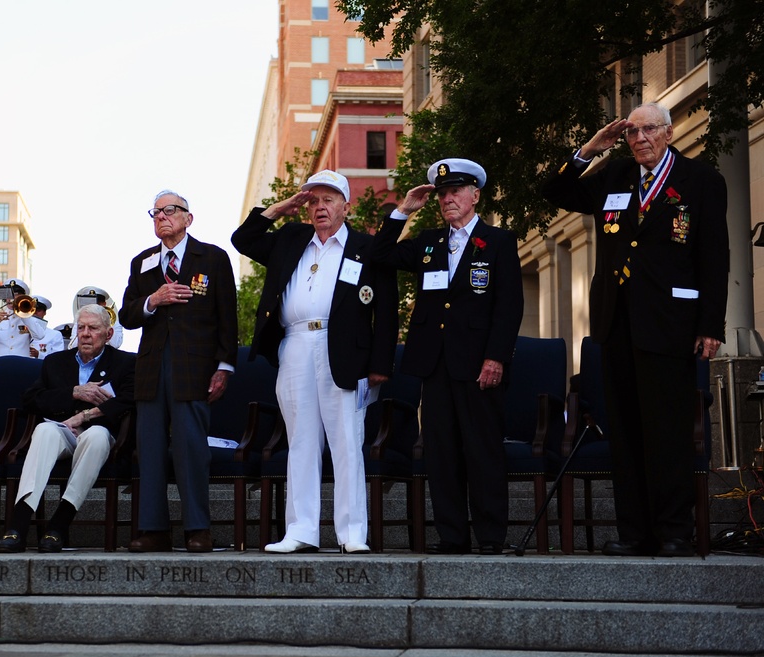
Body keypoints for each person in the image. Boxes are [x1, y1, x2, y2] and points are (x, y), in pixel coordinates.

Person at [541, 101, 729, 557]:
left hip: (671, 325)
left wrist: (710, 324)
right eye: (631, 132)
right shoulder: (614, 176)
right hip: (616, 322)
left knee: (665, 430)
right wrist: (589, 150)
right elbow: (555, 189)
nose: (639, 139)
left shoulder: (700, 180)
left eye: (648, 130)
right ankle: (634, 533)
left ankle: (673, 533)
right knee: (624, 432)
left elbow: (714, 256)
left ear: (668, 133)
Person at [232, 169, 398, 553]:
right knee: (301, 441)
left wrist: (380, 364)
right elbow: (243, 239)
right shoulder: (291, 239)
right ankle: (301, 531)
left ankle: (352, 533)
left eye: (328, 200)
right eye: (314, 201)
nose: (320, 207)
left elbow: (386, 311)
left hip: (344, 350)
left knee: (345, 440)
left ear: (345, 206)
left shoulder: (365, 246)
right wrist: (281, 208)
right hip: (295, 344)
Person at [372, 159, 523, 555]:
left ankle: (491, 537)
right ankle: (452, 536)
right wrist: (403, 210)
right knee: (441, 453)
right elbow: (381, 255)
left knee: (482, 450)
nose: (447, 199)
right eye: (441, 194)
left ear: (475, 195)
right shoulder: (428, 242)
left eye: (455, 191)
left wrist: (496, 358)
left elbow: (509, 307)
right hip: (434, 364)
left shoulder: (499, 242)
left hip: (478, 366)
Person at [120, 190, 237, 553]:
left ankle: (197, 528)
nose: (161, 217)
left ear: (189, 218)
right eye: (155, 212)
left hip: (195, 368)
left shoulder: (213, 258)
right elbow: (126, 315)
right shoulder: (143, 263)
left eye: (170, 211)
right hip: (152, 368)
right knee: (150, 449)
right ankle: (153, 528)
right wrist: (153, 301)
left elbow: (227, 319)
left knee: (190, 449)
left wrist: (224, 367)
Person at [0, 304, 135, 553]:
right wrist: (73, 392)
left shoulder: (125, 363)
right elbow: (31, 399)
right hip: (61, 433)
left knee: (97, 435)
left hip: (100, 435)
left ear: (108, 334)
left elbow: (129, 399)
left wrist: (85, 415)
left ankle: (58, 525)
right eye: (81, 328)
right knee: (44, 431)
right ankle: (17, 526)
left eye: (93, 328)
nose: (85, 333)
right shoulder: (55, 362)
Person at [0, 278, 47, 357]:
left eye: (16, 297)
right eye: (9, 296)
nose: (11, 299)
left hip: (21, 364)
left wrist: (23, 313)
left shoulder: (28, 318)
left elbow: (40, 335)